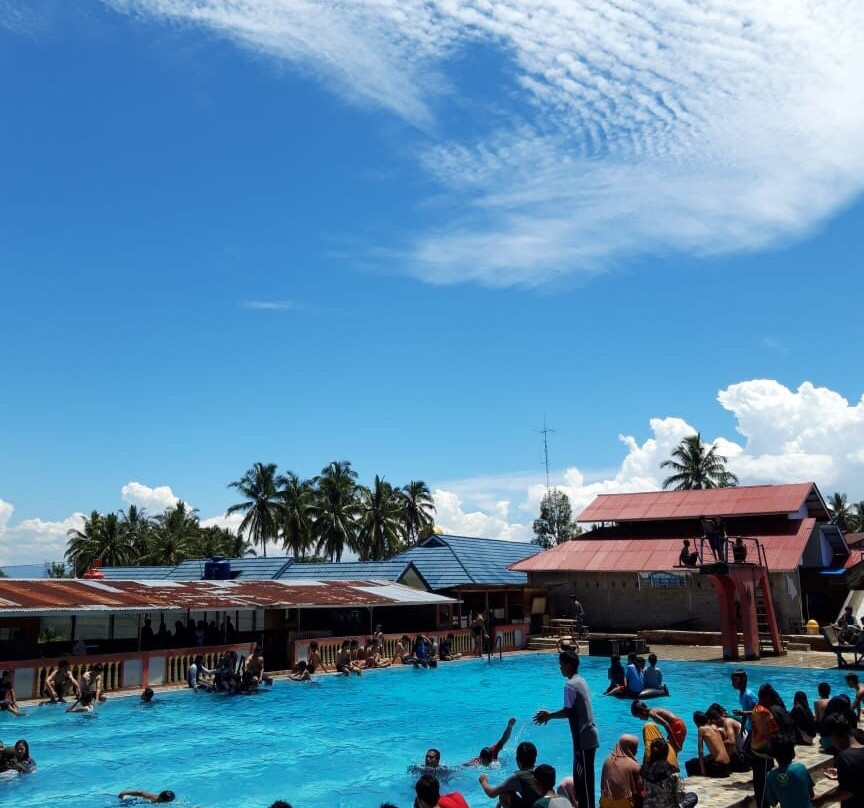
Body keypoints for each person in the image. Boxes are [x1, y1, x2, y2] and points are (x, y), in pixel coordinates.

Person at [534, 649, 599, 808]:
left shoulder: (569, 685)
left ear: (569, 665)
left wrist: (549, 716)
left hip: (583, 739)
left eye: (561, 665)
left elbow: (568, 712)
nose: (560, 668)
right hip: (589, 736)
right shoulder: (581, 681)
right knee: (585, 780)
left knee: (583, 783)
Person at [479, 741, 541, 808]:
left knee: (504, 794)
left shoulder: (518, 777)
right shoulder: (541, 770)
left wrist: (483, 781)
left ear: (517, 760)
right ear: (535, 759)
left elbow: (491, 793)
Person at [821, 713, 864, 808]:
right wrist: (840, 773)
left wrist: (822, 799)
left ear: (835, 736)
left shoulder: (844, 758)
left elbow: (846, 793)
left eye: (832, 739)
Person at [641, 738, 697, 808]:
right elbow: (680, 797)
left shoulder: (644, 769)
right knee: (693, 796)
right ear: (666, 752)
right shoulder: (672, 771)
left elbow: (643, 792)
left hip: (648, 806)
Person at [764, 743, 813, 808]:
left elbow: (773, 802)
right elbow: (811, 794)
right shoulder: (801, 768)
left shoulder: (770, 775)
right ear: (793, 754)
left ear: (775, 757)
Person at [599, 734, 642, 808]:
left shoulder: (607, 760)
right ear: (630, 749)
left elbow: (602, 784)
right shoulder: (634, 765)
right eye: (635, 748)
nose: (637, 751)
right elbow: (640, 790)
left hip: (605, 802)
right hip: (624, 804)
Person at [684, 711, 730, 778]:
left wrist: (703, 771)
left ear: (697, 723)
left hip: (718, 768)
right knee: (708, 758)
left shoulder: (701, 729)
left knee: (689, 764)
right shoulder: (714, 726)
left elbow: (701, 751)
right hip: (727, 766)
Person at [731, 670, 758, 736]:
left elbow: (758, 712)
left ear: (742, 681)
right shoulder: (742, 694)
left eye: (735, 680)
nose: (732, 683)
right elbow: (745, 711)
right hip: (752, 727)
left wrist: (743, 713)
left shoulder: (748, 695)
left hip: (758, 728)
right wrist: (742, 727)